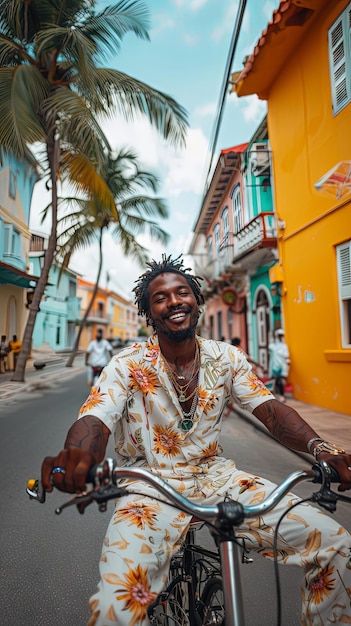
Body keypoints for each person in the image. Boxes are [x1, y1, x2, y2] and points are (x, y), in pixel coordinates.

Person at [42, 255, 351, 626]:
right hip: (149, 486)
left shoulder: (227, 358)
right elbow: (97, 418)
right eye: (160, 298)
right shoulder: (126, 364)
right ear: (148, 313)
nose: (174, 301)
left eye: (182, 292)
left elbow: (269, 409)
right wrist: (79, 455)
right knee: (117, 607)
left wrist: (321, 448)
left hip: (218, 478)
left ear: (196, 300)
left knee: (336, 543)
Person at [269, 328, 290, 401]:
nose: (280, 337)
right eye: (279, 336)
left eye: (282, 336)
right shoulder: (273, 346)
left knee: (281, 382)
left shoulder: (284, 346)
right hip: (274, 366)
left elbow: (286, 356)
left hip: (282, 366)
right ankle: (276, 396)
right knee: (275, 382)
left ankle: (281, 395)